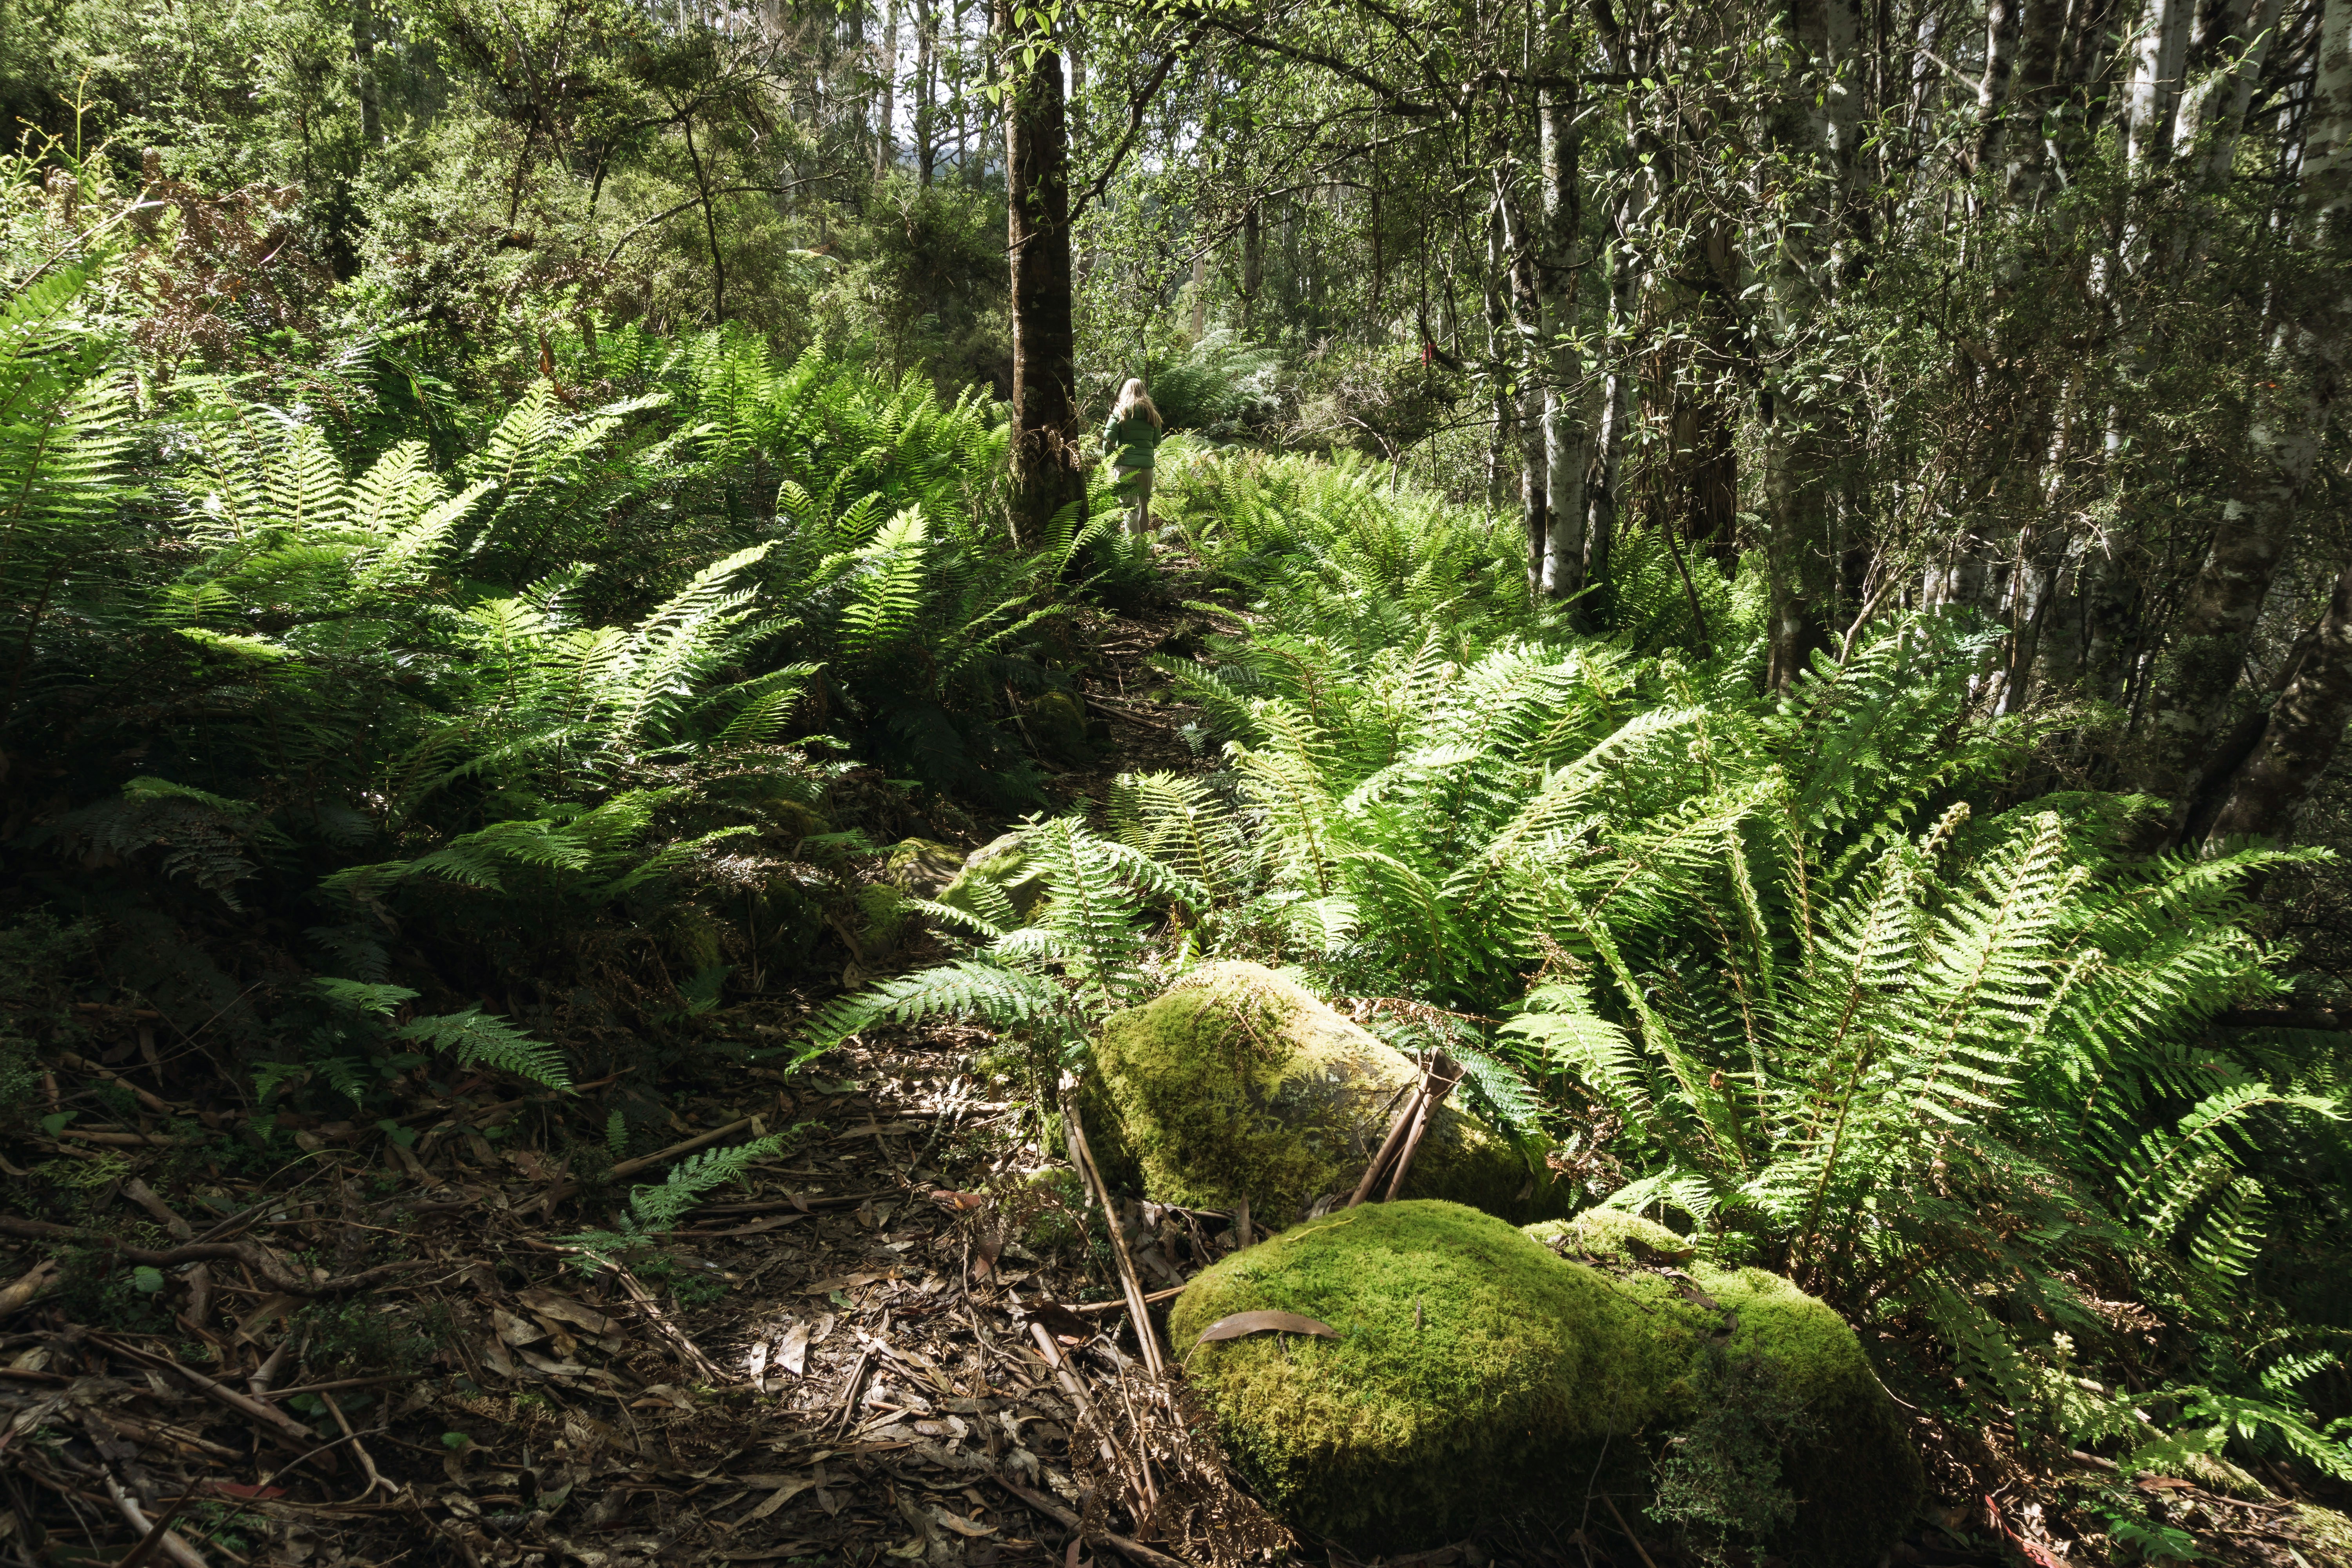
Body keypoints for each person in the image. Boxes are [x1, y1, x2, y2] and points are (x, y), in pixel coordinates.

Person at [1100, 378, 1164, 537]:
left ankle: (1133, 550)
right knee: (1143, 506)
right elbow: (1156, 441)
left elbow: (1108, 441)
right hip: (1147, 468)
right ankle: (1143, 548)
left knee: (1129, 509)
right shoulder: (1152, 414)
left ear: (1125, 391)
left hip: (1125, 467)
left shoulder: (1120, 412)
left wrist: (1113, 459)